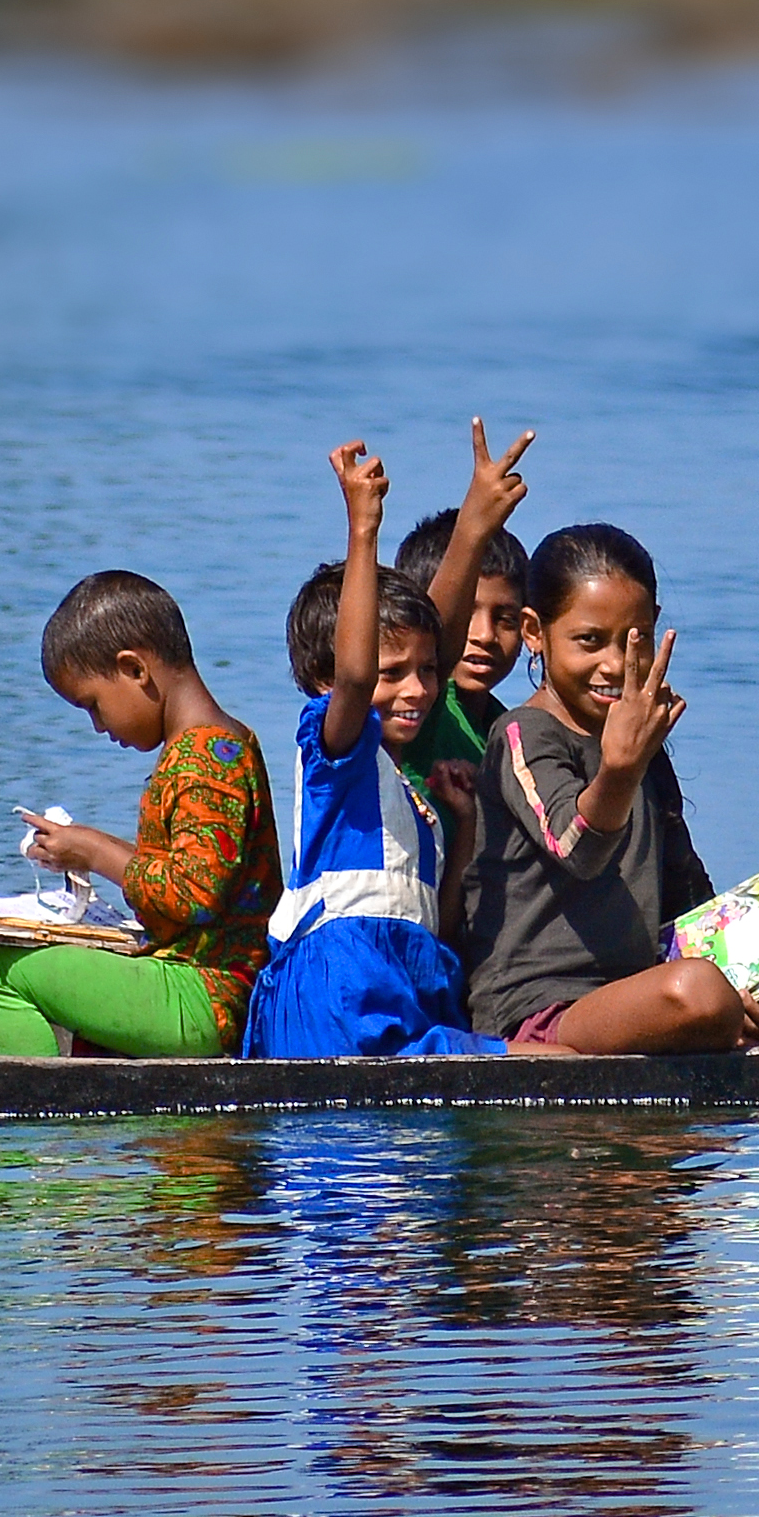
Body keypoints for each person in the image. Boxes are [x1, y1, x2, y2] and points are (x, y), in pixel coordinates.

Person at [454, 521, 759, 1056]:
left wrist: (747, 977)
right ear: (535, 632)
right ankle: (733, 1060)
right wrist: (620, 769)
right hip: (546, 1007)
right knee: (700, 994)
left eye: (633, 640)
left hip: (649, 983)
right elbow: (574, 848)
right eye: (589, 642)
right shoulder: (523, 735)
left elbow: (686, 889)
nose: (616, 665)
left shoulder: (641, 737)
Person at [243, 438, 501, 1059]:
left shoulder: (410, 789)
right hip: (340, 991)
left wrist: (462, 825)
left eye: (427, 670)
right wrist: (364, 530)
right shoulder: (338, 753)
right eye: (393, 674)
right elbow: (356, 676)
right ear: (325, 684)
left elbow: (436, 910)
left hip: (404, 985)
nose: (417, 690)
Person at [0, 569, 277, 1059]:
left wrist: (95, 850)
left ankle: (33, 1124)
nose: (98, 726)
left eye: (93, 705)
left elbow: (195, 894)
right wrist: (82, 846)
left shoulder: (209, 758)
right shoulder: (211, 747)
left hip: (205, 997)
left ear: (134, 670)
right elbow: (181, 870)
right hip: (182, 985)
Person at [389, 418, 539, 828]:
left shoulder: (501, 727)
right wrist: (472, 529)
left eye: (505, 618)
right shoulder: (420, 704)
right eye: (467, 614)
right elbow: (438, 644)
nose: (485, 636)